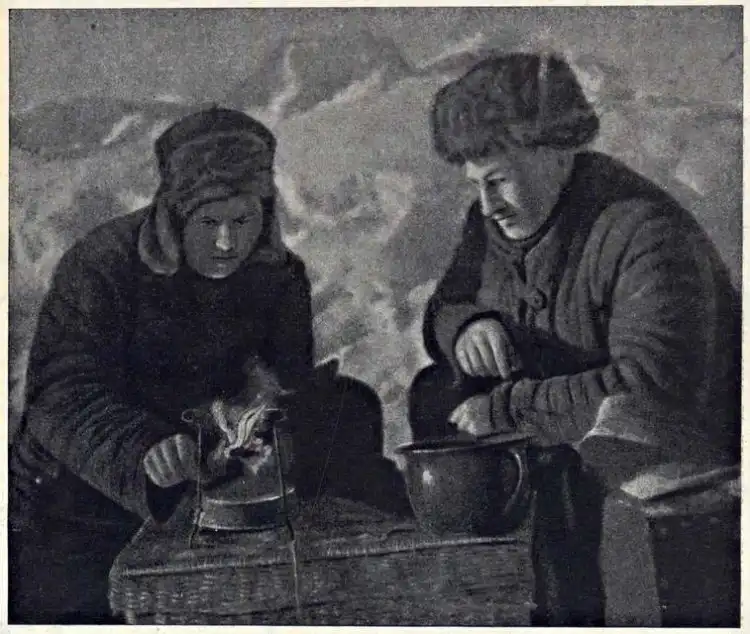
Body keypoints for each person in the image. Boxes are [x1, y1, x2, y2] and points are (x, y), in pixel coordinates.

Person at [8, 107, 405, 625]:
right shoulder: (101, 265)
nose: (226, 243)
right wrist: (143, 448)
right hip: (84, 491)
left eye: (242, 221)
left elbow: (282, 385)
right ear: (175, 216)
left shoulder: (278, 276)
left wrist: (272, 423)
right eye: (209, 222)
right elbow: (60, 395)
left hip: (206, 479)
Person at [409, 52, 740, 625]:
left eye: (498, 180)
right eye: (477, 185)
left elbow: (646, 392)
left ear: (554, 151)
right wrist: (467, 326)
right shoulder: (494, 223)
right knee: (435, 392)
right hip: (560, 458)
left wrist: (507, 410)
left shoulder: (645, 234)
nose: (488, 205)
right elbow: (447, 304)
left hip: (668, 481)